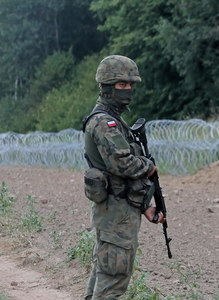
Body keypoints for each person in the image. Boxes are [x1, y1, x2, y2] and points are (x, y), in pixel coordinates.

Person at [82, 55, 165, 299]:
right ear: (107, 86)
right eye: (121, 84)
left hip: (119, 210)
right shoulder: (103, 122)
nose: (127, 89)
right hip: (115, 214)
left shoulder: (115, 120)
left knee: (105, 274)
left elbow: (123, 178)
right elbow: (122, 164)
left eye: (130, 84)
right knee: (112, 281)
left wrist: (145, 206)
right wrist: (148, 166)